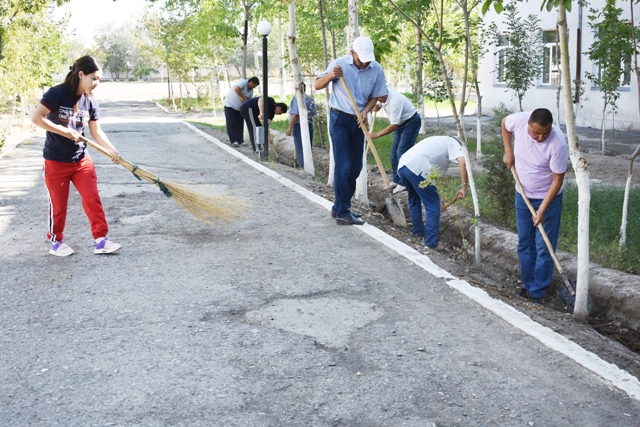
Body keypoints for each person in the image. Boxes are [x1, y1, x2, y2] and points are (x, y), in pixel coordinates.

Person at [31, 55, 122, 257]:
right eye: (94, 78)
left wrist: (112, 150)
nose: (96, 84)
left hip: (81, 160)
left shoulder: (90, 101)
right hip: (55, 160)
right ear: (81, 74)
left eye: (99, 79)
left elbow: (96, 132)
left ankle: (101, 240)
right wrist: (64, 131)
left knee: (93, 199)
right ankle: (57, 241)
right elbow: (36, 118)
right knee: (58, 205)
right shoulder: (57, 94)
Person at [315, 36, 388, 225]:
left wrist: (365, 111)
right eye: (359, 58)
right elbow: (317, 85)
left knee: (356, 167)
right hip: (339, 118)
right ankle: (342, 211)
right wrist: (332, 75)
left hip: (359, 120)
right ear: (352, 52)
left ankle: (340, 205)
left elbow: (378, 96)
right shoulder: (340, 64)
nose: (363, 63)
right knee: (343, 165)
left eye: (367, 59)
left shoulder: (376, 69)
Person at [502, 108, 569, 305]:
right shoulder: (520, 120)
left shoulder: (558, 145)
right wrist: (508, 150)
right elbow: (505, 123)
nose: (540, 138)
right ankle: (528, 285)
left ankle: (538, 292)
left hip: (548, 198)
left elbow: (557, 181)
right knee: (525, 242)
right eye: (536, 133)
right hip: (522, 194)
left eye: (545, 133)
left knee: (544, 246)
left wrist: (542, 210)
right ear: (528, 124)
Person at [397, 136, 468, 250]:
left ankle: (417, 232)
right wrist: (464, 187)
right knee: (433, 206)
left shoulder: (438, 142)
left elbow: (432, 179)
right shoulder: (454, 143)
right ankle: (431, 242)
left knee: (414, 198)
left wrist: (439, 197)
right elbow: (463, 162)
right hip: (418, 166)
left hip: (403, 165)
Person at [370, 87, 421, 194]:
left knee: (401, 153)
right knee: (394, 154)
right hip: (400, 124)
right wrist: (376, 107)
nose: (378, 100)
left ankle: (404, 183)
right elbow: (378, 105)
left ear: (385, 94)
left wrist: (377, 134)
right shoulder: (381, 96)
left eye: (379, 98)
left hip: (411, 123)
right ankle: (397, 179)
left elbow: (393, 125)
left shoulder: (394, 101)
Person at [286, 83, 317, 168]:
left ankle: (304, 168)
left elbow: (295, 115)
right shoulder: (310, 98)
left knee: (301, 149)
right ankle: (309, 168)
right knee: (307, 149)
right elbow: (313, 113)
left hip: (300, 126)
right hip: (309, 125)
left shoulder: (297, 98)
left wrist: (289, 127)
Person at [224, 77, 259, 147]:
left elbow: (249, 101)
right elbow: (236, 89)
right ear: (251, 82)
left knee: (240, 124)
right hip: (230, 105)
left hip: (240, 108)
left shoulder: (251, 91)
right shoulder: (243, 82)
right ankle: (233, 140)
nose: (254, 87)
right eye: (254, 85)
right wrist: (242, 97)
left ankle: (240, 140)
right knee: (231, 123)